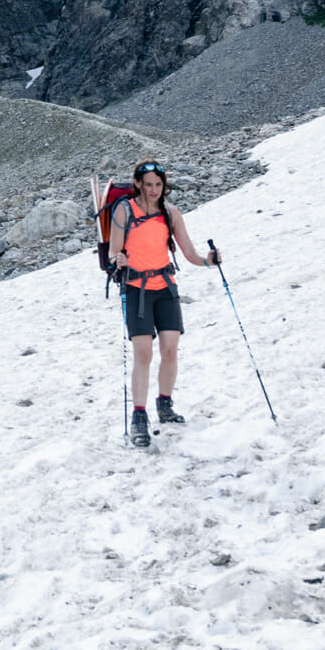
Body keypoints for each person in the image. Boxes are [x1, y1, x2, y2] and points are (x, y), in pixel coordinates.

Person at [107, 159, 219, 447]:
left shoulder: (171, 213)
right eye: (149, 185)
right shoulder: (124, 210)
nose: (154, 189)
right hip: (136, 290)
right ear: (138, 185)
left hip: (165, 287)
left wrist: (208, 261)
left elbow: (190, 253)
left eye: (158, 184)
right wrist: (116, 259)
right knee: (143, 353)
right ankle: (139, 418)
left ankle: (165, 405)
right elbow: (113, 251)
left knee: (170, 350)